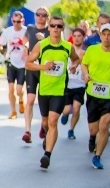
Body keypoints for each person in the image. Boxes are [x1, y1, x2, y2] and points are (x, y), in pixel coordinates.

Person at [24, 15, 79, 169]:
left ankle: (47, 155)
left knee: (53, 121)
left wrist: (73, 66)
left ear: (62, 29)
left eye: (59, 26)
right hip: (44, 89)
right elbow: (28, 64)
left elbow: (76, 59)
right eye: (53, 25)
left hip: (59, 90)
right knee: (45, 122)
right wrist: (43, 66)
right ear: (49, 28)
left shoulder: (68, 47)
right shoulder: (41, 45)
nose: (55, 28)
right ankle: (47, 137)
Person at [81, 23, 110, 169]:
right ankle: (93, 137)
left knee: (104, 127)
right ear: (100, 35)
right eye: (104, 34)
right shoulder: (92, 50)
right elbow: (84, 64)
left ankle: (97, 157)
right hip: (93, 94)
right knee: (94, 129)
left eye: (109, 35)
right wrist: (85, 74)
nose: (106, 37)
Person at [21, 7, 50, 144]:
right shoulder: (30, 28)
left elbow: (58, 44)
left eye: (43, 15)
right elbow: (25, 40)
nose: (40, 17)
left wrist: (45, 39)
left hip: (46, 70)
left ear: (47, 17)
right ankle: (27, 131)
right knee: (30, 100)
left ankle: (44, 126)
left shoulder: (51, 30)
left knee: (44, 102)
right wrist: (26, 47)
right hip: (32, 68)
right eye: (38, 14)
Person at [0, 11, 27, 118]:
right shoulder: (8, 31)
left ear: (23, 21)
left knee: (19, 89)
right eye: (14, 21)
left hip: (22, 64)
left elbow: (31, 45)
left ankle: (21, 99)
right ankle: (13, 111)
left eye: (18, 21)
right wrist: (2, 51)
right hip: (11, 62)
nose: (16, 24)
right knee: (11, 88)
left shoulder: (26, 31)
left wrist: (27, 51)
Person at [60, 27, 87, 140]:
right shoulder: (67, 50)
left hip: (80, 85)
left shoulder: (86, 53)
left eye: (79, 36)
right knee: (66, 110)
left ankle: (71, 130)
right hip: (68, 84)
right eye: (74, 36)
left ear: (83, 37)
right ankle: (65, 114)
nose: (76, 38)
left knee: (76, 108)